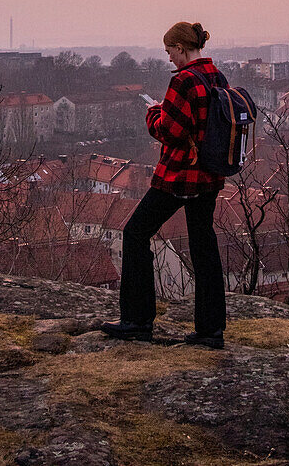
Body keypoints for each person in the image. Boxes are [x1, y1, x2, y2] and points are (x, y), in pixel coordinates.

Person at [101, 21, 227, 348]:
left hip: (180, 175)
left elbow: (167, 131)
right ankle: (211, 330)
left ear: (182, 48)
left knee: (136, 232)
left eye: (170, 50)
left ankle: (137, 320)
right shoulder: (216, 76)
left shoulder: (184, 82)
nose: (169, 57)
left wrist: (153, 113)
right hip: (210, 174)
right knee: (204, 245)